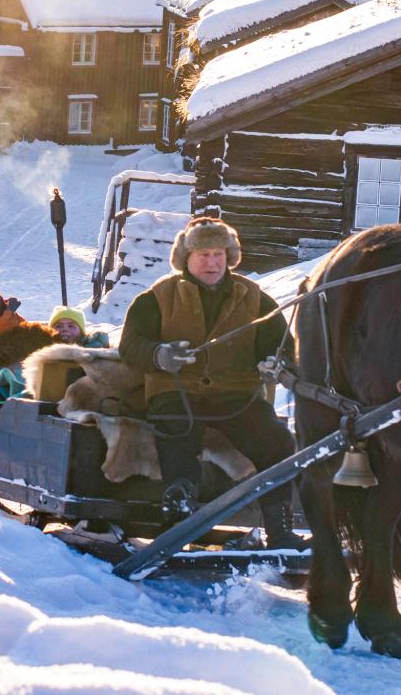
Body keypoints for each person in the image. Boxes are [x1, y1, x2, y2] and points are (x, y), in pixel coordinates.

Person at [118, 218, 298, 543]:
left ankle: (281, 528)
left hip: (237, 396)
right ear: (185, 258)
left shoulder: (256, 298)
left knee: (278, 442)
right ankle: (179, 516)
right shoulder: (157, 297)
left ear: (229, 256)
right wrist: (159, 355)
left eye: (218, 254)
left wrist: (278, 363)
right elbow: (130, 345)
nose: (212, 262)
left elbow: (284, 345)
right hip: (175, 392)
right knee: (178, 435)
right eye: (203, 254)